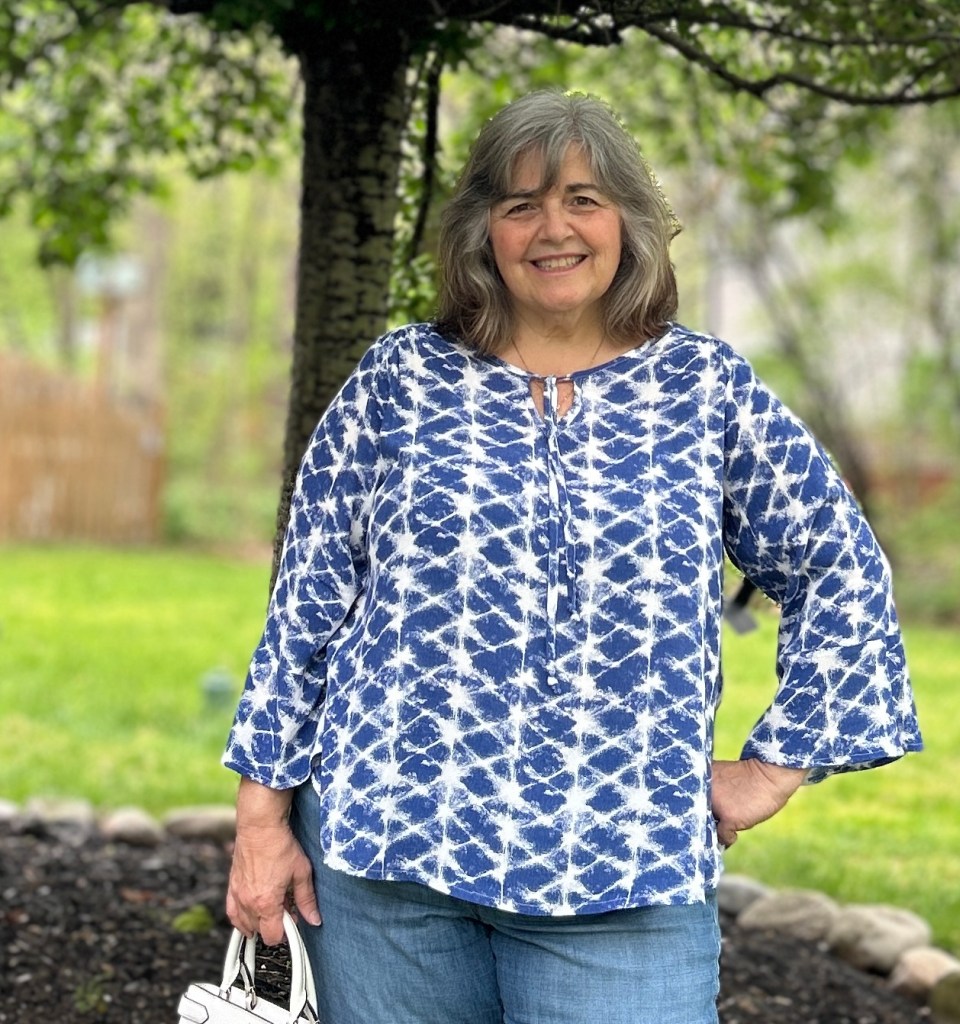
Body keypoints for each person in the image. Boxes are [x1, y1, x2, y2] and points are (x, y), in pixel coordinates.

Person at [222, 90, 922, 1024]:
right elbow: (307, 603)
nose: (554, 228)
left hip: (624, 874)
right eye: (522, 205)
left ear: (629, 222)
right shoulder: (401, 380)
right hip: (387, 865)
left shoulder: (702, 388)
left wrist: (774, 766)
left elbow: (840, 567)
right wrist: (261, 821)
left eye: (583, 200)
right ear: (484, 232)